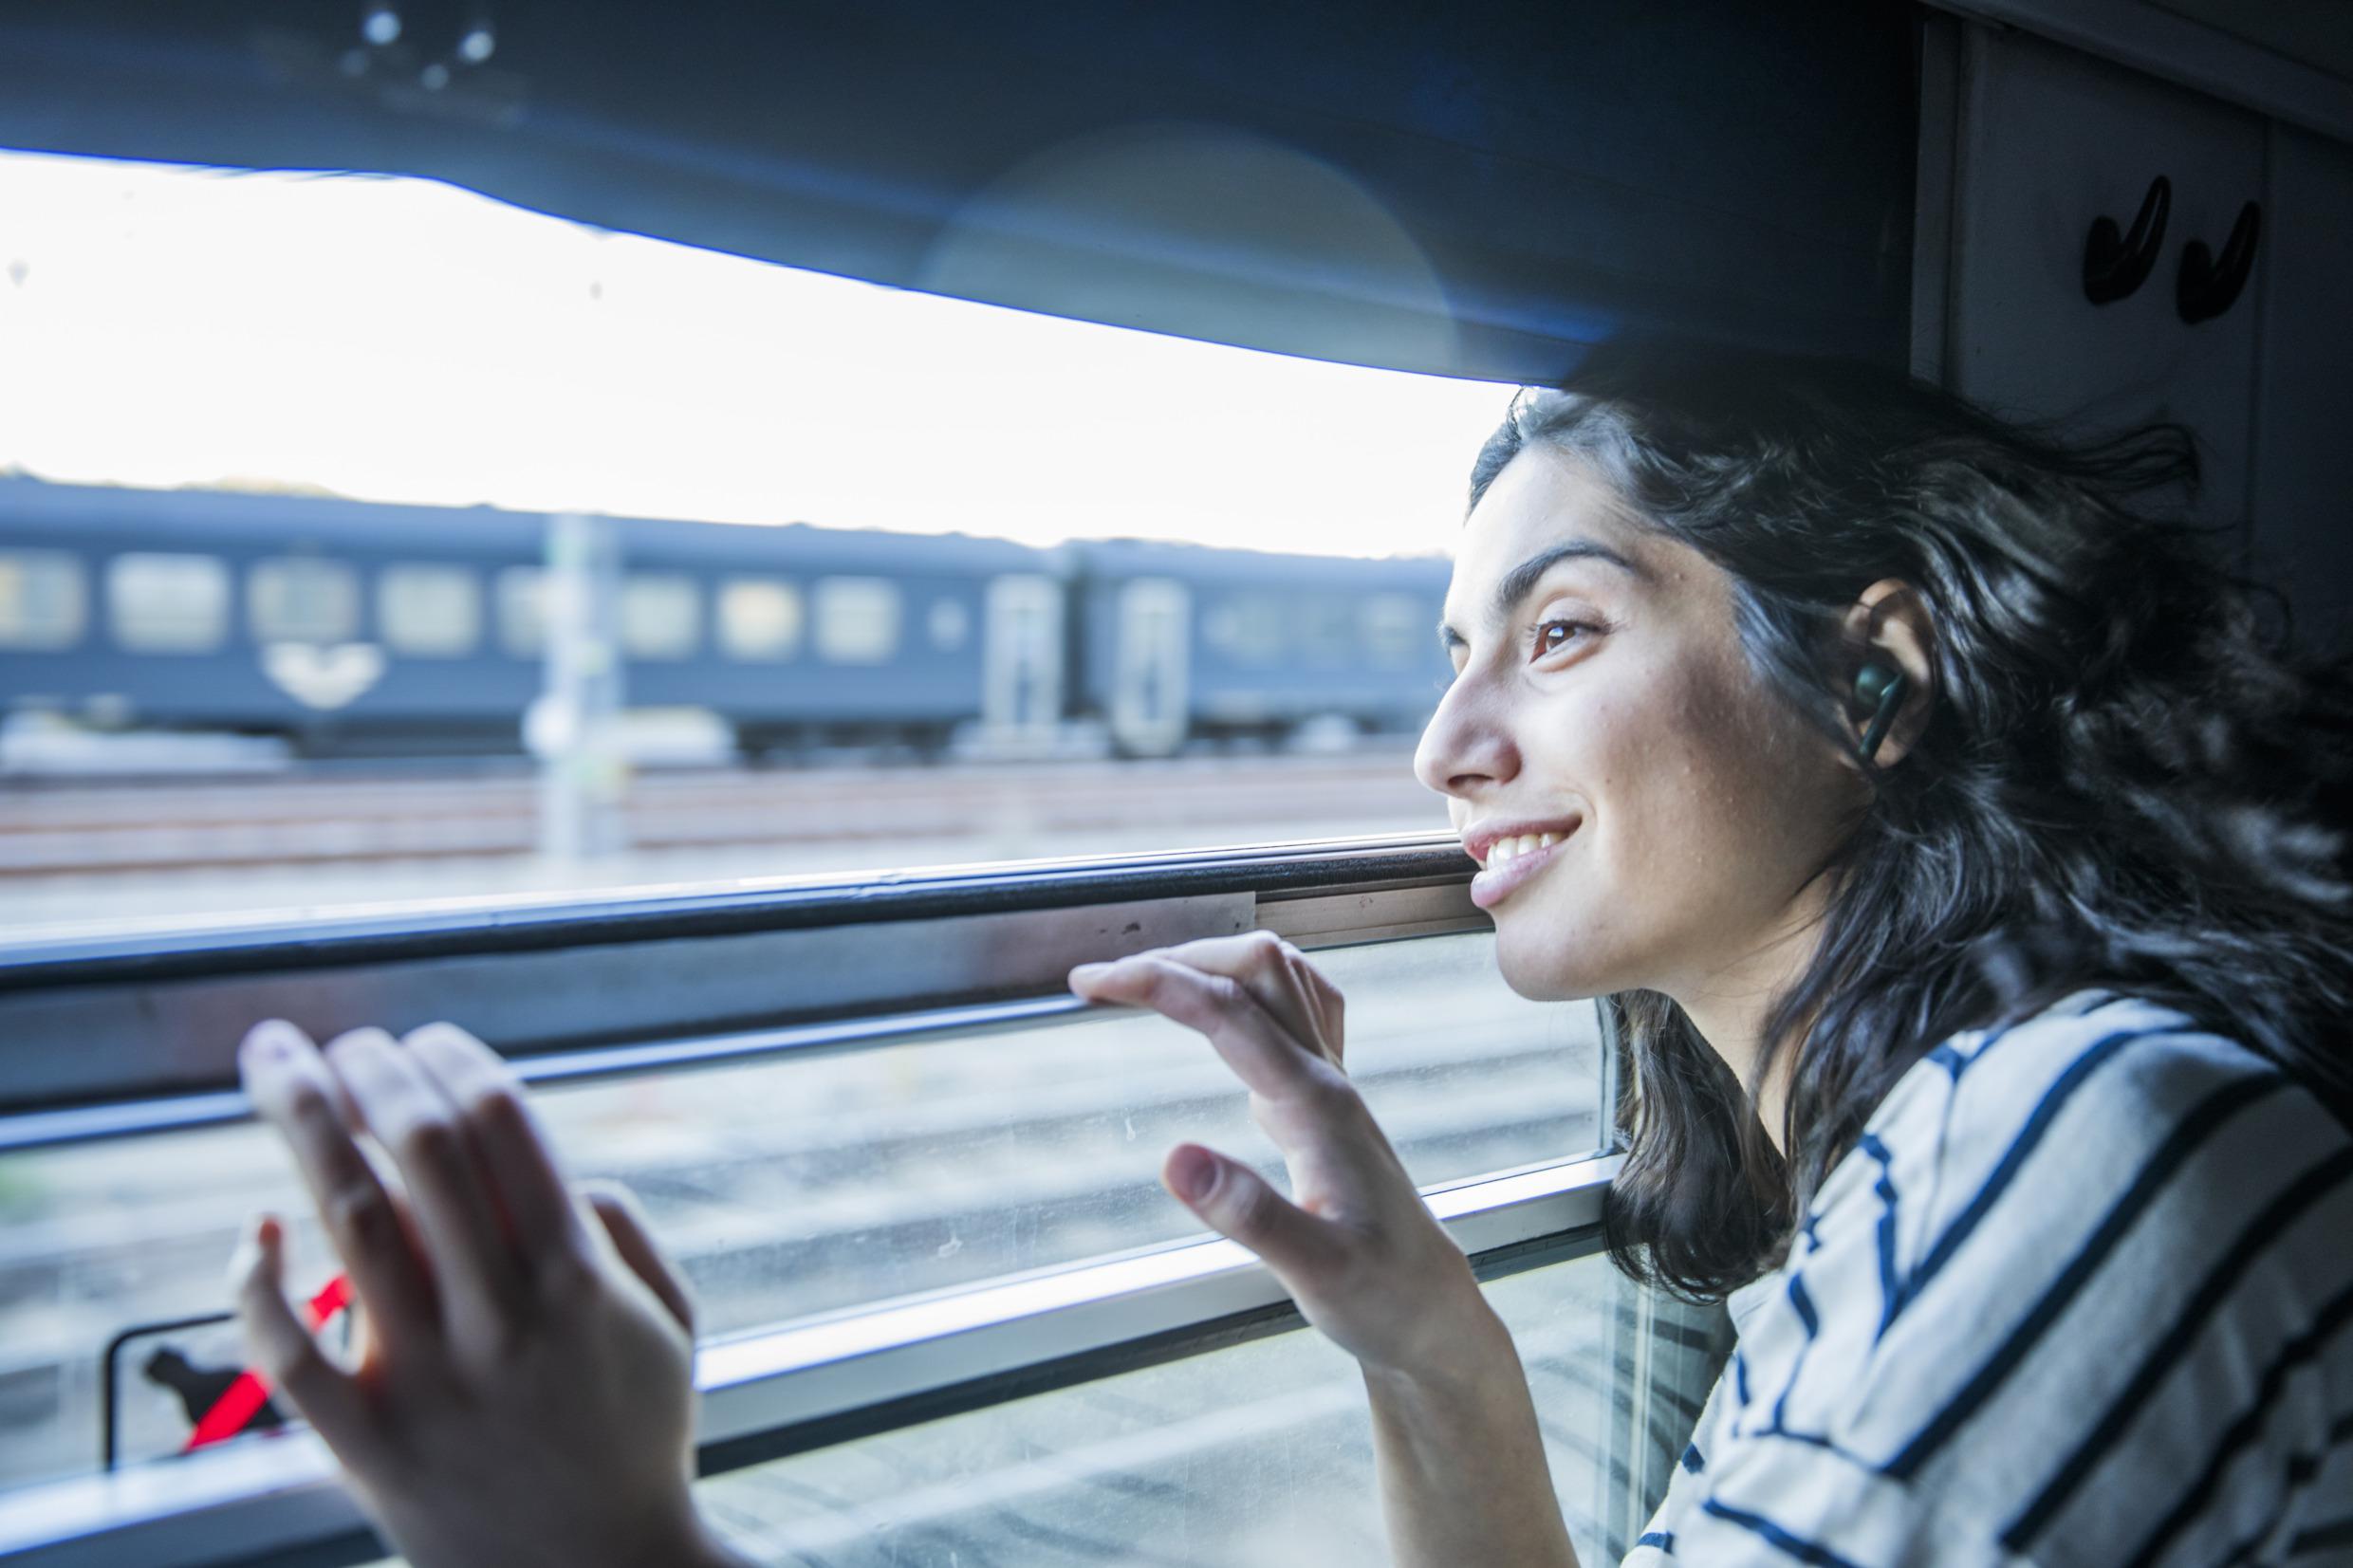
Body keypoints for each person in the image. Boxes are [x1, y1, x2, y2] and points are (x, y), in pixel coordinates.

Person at [231, 339, 2353, 1567]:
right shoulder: (1910, 1187)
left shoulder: (2083, 1136)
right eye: (1451, 655)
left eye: (1563, 628)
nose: (1447, 744)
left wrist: (608, 1543)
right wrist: (1422, 1326)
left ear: (1870, 681)